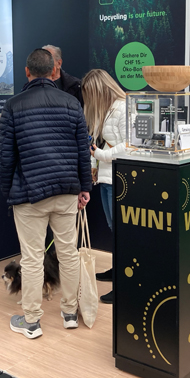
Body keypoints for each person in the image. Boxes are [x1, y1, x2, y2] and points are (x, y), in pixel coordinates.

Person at [0, 48, 92, 339]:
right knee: (69, 254)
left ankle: (31, 321)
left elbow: (5, 157)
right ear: (54, 71)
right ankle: (69, 314)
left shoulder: (13, 105)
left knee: (32, 258)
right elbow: (83, 150)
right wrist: (84, 187)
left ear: (27, 72)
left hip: (29, 194)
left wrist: (8, 191)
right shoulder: (71, 102)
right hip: (66, 190)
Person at [81, 69, 127, 304]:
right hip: (106, 178)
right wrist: (93, 164)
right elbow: (96, 142)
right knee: (114, 229)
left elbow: (130, 146)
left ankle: (124, 280)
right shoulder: (104, 110)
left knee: (121, 232)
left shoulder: (123, 108)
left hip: (120, 178)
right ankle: (117, 269)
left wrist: (100, 155)